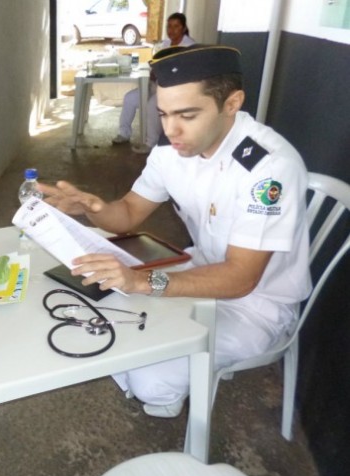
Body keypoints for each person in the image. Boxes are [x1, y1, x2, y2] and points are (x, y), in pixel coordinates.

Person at [39, 45, 311, 418]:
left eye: (187, 115)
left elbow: (241, 278)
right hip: (199, 267)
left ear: (232, 103)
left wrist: (145, 283)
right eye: (163, 113)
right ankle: (185, 350)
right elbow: (130, 212)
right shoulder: (172, 152)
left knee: (149, 381)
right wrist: (94, 208)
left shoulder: (268, 168)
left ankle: (185, 371)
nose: (170, 129)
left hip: (257, 306)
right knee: (99, 313)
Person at [112, 13, 196, 154]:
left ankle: (150, 143)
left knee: (152, 105)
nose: (172, 30)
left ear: (183, 28)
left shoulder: (190, 46)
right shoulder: (165, 44)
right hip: (156, 84)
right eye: (169, 26)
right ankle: (124, 134)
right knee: (130, 98)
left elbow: (187, 73)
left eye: (176, 26)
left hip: (174, 90)